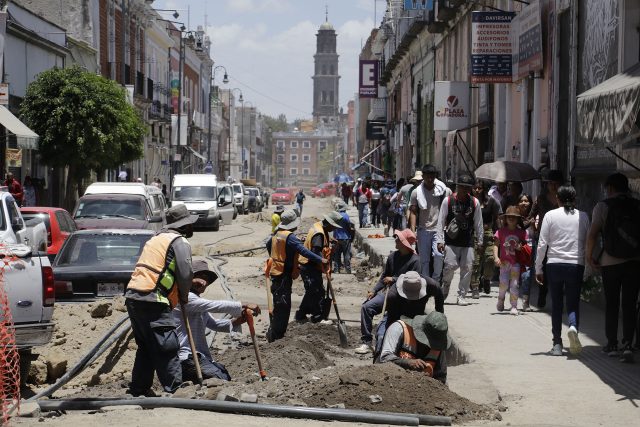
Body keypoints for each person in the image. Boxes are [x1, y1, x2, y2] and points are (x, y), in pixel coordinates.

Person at [125, 204, 197, 396]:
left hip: (133, 296)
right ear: (184, 226)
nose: (192, 228)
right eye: (190, 225)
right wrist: (183, 296)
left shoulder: (155, 239)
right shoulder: (179, 242)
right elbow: (185, 273)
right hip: (153, 298)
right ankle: (175, 390)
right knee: (167, 345)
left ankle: (139, 389)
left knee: (146, 346)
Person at [174, 260, 261, 382]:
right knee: (221, 379)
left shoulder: (198, 302)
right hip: (186, 357)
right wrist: (243, 304)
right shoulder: (185, 297)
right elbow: (214, 305)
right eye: (200, 277)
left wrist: (240, 320)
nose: (204, 282)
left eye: (206, 279)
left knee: (224, 374)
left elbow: (214, 324)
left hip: (198, 355)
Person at [586, 173, 640, 362]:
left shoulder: (603, 206)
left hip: (610, 261)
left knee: (612, 303)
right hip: (634, 262)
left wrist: (589, 256)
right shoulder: (637, 205)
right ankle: (628, 345)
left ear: (610, 188)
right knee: (630, 304)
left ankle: (612, 344)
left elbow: (592, 234)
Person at [536, 185, 590, 356]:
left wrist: (538, 267)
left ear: (557, 199)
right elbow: (588, 244)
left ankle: (557, 344)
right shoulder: (583, 216)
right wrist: (588, 268)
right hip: (576, 264)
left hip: (554, 264)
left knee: (557, 304)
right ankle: (573, 327)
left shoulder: (550, 216)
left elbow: (542, 244)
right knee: (573, 303)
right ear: (574, 199)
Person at [265, 210, 328, 342]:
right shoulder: (290, 237)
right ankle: (277, 336)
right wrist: (319, 259)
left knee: (279, 304)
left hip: (276, 273)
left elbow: (269, 244)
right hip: (283, 276)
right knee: (283, 306)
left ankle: (275, 332)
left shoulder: (278, 234)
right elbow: (304, 251)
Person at [356, 229, 421, 354]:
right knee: (366, 307)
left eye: (398, 239)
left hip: (404, 297)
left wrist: (395, 279)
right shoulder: (392, 257)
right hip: (388, 293)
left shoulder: (415, 261)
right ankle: (367, 342)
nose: (395, 241)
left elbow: (415, 280)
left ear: (404, 243)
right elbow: (384, 277)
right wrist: (374, 290)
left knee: (388, 324)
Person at [436, 172, 483, 305]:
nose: (464, 190)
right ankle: (445, 287)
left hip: (468, 240)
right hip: (451, 240)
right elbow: (441, 221)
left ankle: (462, 295)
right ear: (457, 186)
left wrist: (480, 241)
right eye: (462, 186)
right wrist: (440, 240)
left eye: (467, 187)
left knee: (467, 268)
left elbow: (478, 223)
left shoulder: (474, 202)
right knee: (449, 267)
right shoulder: (448, 200)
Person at [296, 212, 343, 324]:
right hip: (309, 265)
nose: (334, 229)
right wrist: (324, 263)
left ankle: (302, 314)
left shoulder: (319, 226)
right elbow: (315, 251)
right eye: (333, 226)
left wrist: (329, 240)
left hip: (311, 265)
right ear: (328, 224)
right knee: (316, 291)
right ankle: (317, 316)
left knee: (313, 291)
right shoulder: (319, 234)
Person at [378, 311, 449, 384]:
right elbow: (384, 358)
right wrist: (408, 363)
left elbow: (441, 377)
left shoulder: (439, 344)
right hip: (391, 382)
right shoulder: (399, 329)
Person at [409, 165, 452, 281]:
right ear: (423, 177)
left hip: (438, 230)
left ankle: (436, 280)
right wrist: (413, 231)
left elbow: (449, 209)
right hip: (423, 230)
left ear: (435, 177)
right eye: (427, 177)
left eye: (432, 177)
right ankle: (426, 281)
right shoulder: (416, 192)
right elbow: (413, 212)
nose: (429, 180)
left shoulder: (443, 191)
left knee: (439, 256)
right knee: (424, 260)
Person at [527, 169, 563, 309]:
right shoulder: (540, 199)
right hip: (542, 238)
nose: (553, 186)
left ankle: (558, 300)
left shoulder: (565, 200)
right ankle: (542, 293)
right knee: (543, 268)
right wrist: (529, 224)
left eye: (556, 183)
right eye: (550, 183)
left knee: (558, 270)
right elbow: (531, 216)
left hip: (560, 240)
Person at [493, 206, 528, 315]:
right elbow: (496, 245)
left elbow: (524, 246)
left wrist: (519, 247)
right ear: (505, 219)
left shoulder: (522, 233)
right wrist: (496, 257)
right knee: (503, 284)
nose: (511, 219)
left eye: (514, 217)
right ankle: (501, 299)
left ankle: (514, 306)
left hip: (516, 263)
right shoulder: (500, 232)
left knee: (515, 284)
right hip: (504, 263)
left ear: (518, 219)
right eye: (509, 217)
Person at [470, 180, 500, 298]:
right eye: (475, 188)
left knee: (490, 258)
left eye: (480, 188)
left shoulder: (492, 202)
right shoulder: (470, 201)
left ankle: (487, 279)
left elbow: (497, 218)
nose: (477, 190)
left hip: (488, 232)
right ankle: (475, 286)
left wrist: (499, 233)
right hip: (474, 233)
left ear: (484, 190)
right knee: (476, 261)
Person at [517, 194, 535, 311]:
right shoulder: (515, 216)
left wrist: (534, 225)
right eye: (522, 201)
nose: (524, 203)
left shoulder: (534, 217)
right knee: (517, 275)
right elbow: (519, 228)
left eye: (527, 201)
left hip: (530, 249)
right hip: (517, 250)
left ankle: (525, 302)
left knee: (527, 276)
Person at [333, 202, 354, 274]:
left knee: (337, 254)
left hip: (336, 238)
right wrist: (351, 234)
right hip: (345, 237)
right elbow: (349, 226)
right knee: (346, 254)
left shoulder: (336, 215)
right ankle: (348, 270)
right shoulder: (345, 215)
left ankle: (336, 269)